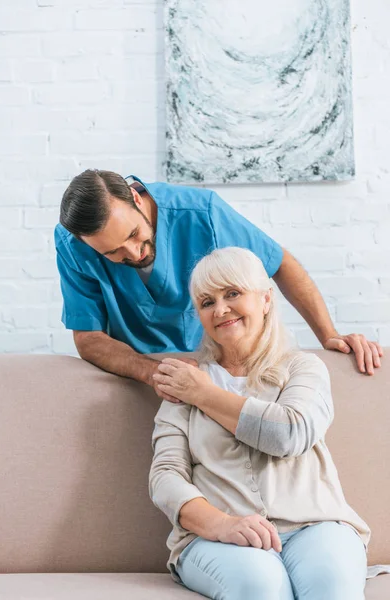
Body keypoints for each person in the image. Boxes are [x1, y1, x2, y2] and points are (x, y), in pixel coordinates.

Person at [149, 247, 370, 600]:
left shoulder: (302, 368)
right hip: (215, 538)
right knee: (261, 584)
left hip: (314, 525)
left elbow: (289, 433)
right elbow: (165, 477)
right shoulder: (183, 381)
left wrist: (204, 395)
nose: (220, 309)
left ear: (266, 299)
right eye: (207, 302)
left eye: (232, 293)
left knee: (332, 584)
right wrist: (223, 525)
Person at [55, 169, 383, 402]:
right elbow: (88, 336)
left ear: (137, 199)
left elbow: (279, 263)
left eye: (132, 235)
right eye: (111, 252)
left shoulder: (202, 212)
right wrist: (153, 373)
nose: (133, 253)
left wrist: (329, 335)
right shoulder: (72, 246)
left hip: (222, 363)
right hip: (146, 378)